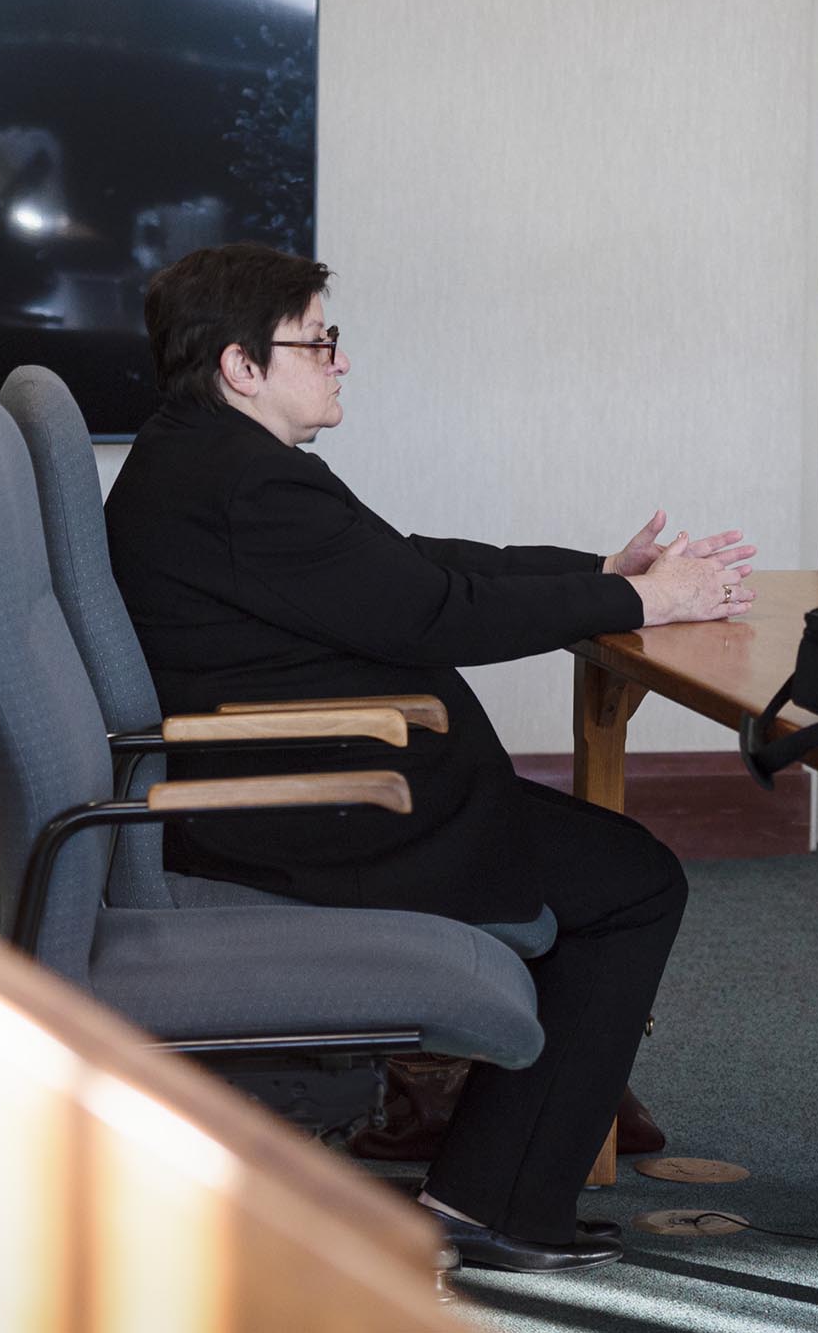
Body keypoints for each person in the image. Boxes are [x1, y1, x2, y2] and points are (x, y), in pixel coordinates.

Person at [103, 243, 755, 1272]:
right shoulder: (247, 488)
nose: (339, 361)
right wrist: (642, 601)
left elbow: (405, 565)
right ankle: (494, 1200)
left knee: (607, 870)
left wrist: (597, 571)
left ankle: (473, 1151)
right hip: (315, 813)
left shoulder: (213, 461)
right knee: (632, 883)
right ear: (241, 366)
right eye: (317, 340)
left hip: (298, 789)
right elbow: (431, 609)